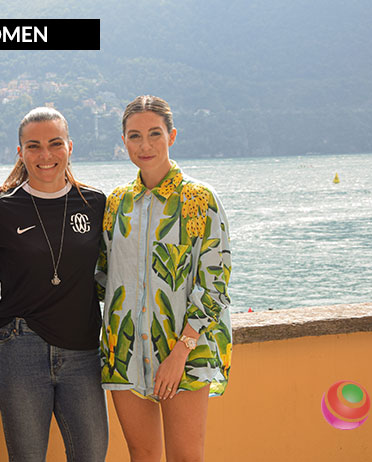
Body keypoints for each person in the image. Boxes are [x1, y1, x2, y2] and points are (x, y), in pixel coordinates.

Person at [96, 95, 232, 461]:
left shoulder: (199, 199)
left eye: (154, 133)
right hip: (124, 353)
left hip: (185, 353)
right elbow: (100, 276)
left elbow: (215, 284)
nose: (145, 145)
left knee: (185, 457)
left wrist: (180, 352)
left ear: (172, 136)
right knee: (142, 455)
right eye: (135, 136)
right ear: (123, 141)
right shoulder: (116, 203)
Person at [0, 107, 109, 461]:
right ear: (20, 152)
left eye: (55, 143)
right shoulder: (0, 206)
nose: (45, 154)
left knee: (91, 454)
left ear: (70, 147)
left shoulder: (95, 203)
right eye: (33, 146)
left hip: (83, 349)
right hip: (20, 345)